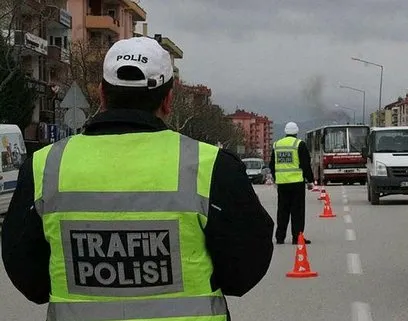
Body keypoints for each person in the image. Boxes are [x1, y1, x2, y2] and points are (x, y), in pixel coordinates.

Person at [1, 37, 274, 321]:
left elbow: (28, 277)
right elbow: (244, 270)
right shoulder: (211, 166)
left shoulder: (46, 167)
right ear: (168, 101)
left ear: (102, 95)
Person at [269, 122, 315, 245]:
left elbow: (271, 164)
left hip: (282, 184)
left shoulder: (277, 145)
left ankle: (280, 237)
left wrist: (275, 178)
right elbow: (306, 164)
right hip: (296, 183)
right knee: (297, 212)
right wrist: (310, 181)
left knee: (282, 211)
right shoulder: (299, 144)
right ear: (296, 132)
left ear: (285, 131)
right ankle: (297, 237)